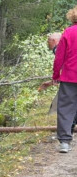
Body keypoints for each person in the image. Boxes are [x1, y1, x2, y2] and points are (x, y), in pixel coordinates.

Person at [53, 5, 77, 153]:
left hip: (70, 76)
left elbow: (59, 57)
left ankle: (64, 142)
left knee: (65, 108)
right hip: (70, 76)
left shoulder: (68, 32)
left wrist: (56, 75)